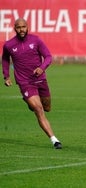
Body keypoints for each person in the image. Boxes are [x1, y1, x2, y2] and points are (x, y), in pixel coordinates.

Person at [1, 18, 62, 149]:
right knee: (39, 110)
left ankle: (30, 102)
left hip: (40, 79)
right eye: (18, 27)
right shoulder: (9, 45)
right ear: (14, 28)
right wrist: (6, 76)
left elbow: (48, 57)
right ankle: (54, 140)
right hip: (25, 82)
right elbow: (5, 59)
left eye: (23, 27)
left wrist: (42, 68)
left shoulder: (36, 40)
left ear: (27, 27)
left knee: (47, 107)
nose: (21, 30)